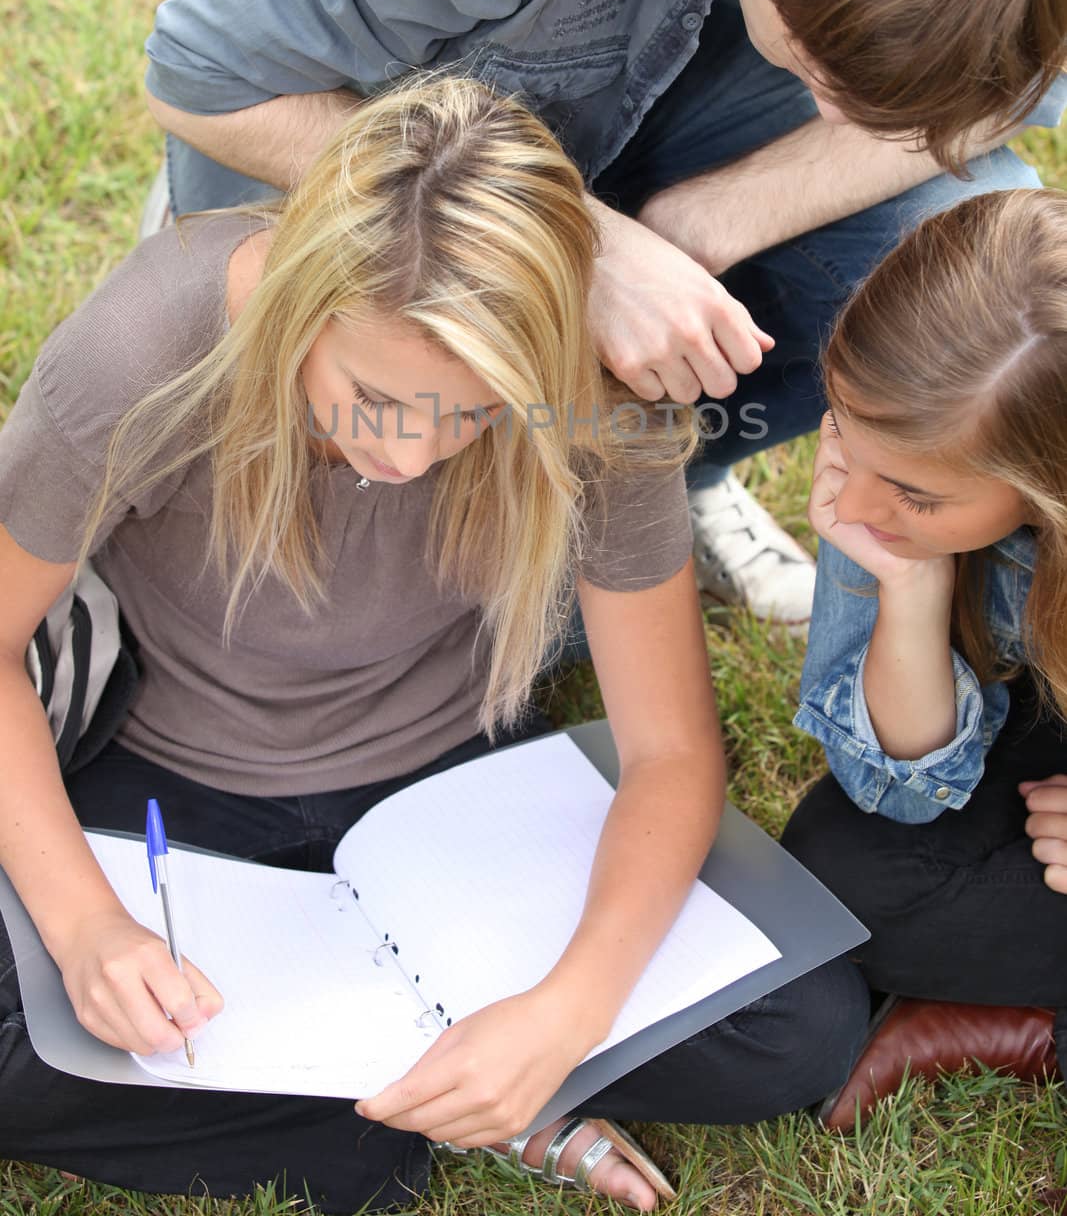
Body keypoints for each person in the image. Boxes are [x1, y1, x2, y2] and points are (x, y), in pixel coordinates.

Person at [0, 77, 868, 1213]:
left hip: (451, 788)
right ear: (302, 298)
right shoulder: (145, 350)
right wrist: (89, 927)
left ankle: (417, 1081)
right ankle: (457, 1100)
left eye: (469, 414)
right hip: (171, 781)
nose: (407, 452)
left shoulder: (595, 400)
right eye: (369, 395)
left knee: (794, 1029)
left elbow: (666, 749)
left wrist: (567, 1011)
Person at [140, 0, 1067, 627]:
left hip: (635, 98)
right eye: (822, 72)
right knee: (368, 623)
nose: (847, 121)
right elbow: (203, 79)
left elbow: (1004, 89)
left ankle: (658, 480)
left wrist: (702, 223)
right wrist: (572, 245)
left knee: (957, 253)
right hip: (352, 132)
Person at [781, 187, 1067, 1127]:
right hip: (1037, 742)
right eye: (842, 438)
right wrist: (909, 586)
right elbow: (895, 792)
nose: (852, 509)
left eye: (912, 495)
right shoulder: (884, 474)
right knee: (842, 877)